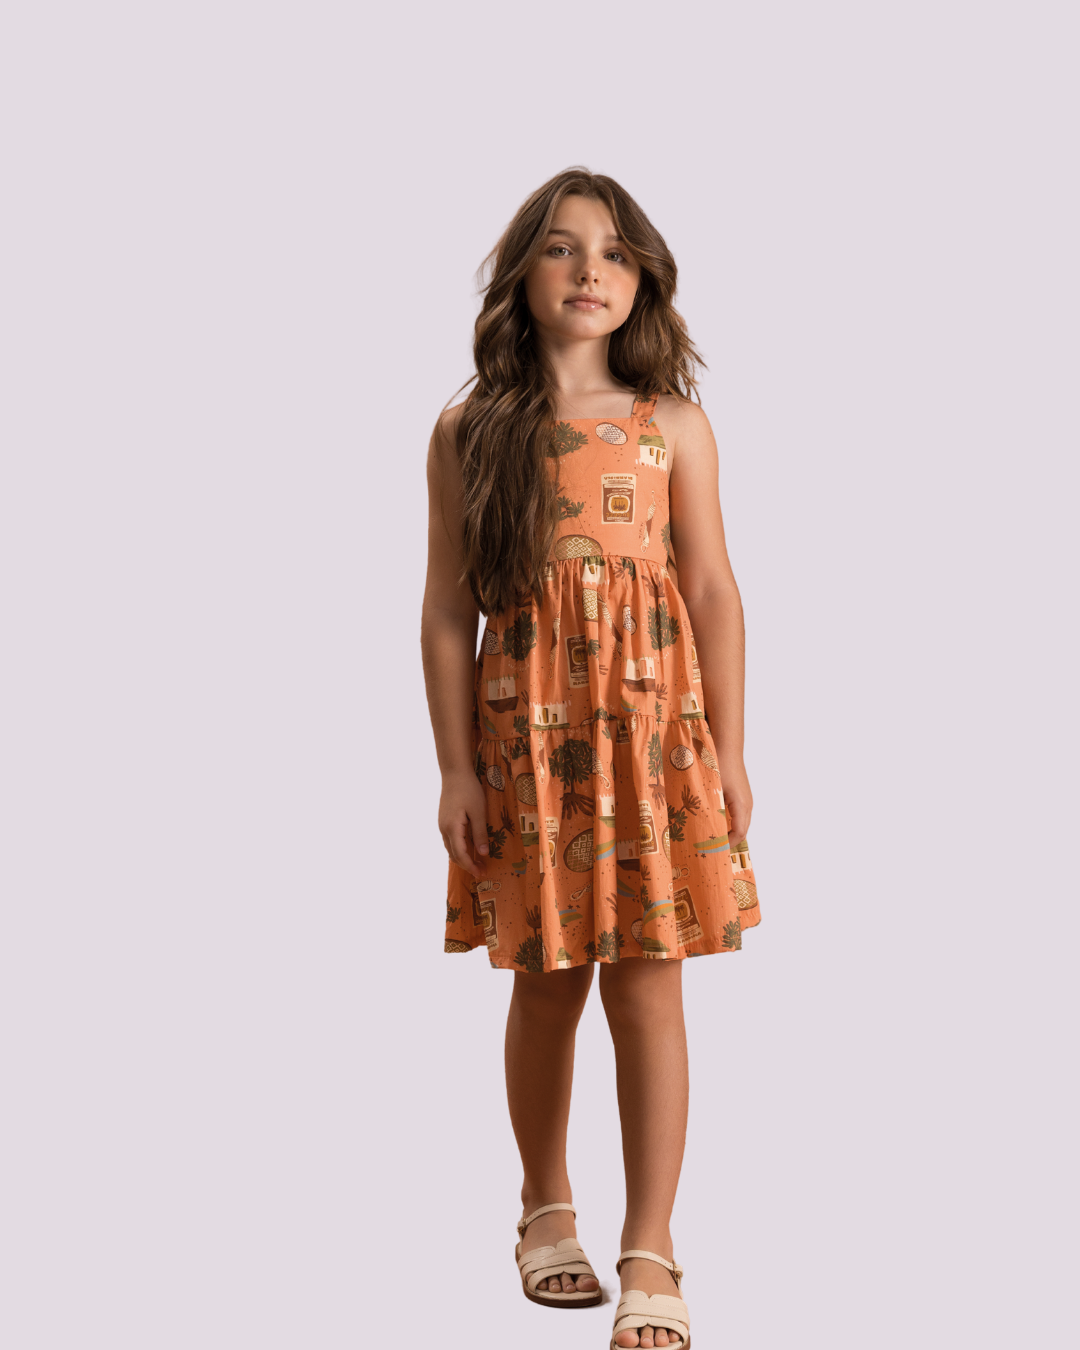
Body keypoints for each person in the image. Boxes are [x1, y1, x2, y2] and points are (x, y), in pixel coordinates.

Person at [421, 167, 762, 1349]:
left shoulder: (673, 426)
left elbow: (712, 590)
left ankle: (650, 1244)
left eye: (614, 252)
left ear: (642, 280)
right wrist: (456, 769)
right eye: (563, 248)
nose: (589, 271)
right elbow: (447, 610)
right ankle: (544, 1203)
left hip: (654, 743)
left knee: (651, 983)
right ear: (523, 273)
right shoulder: (469, 431)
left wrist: (728, 748)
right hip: (528, 745)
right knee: (547, 981)